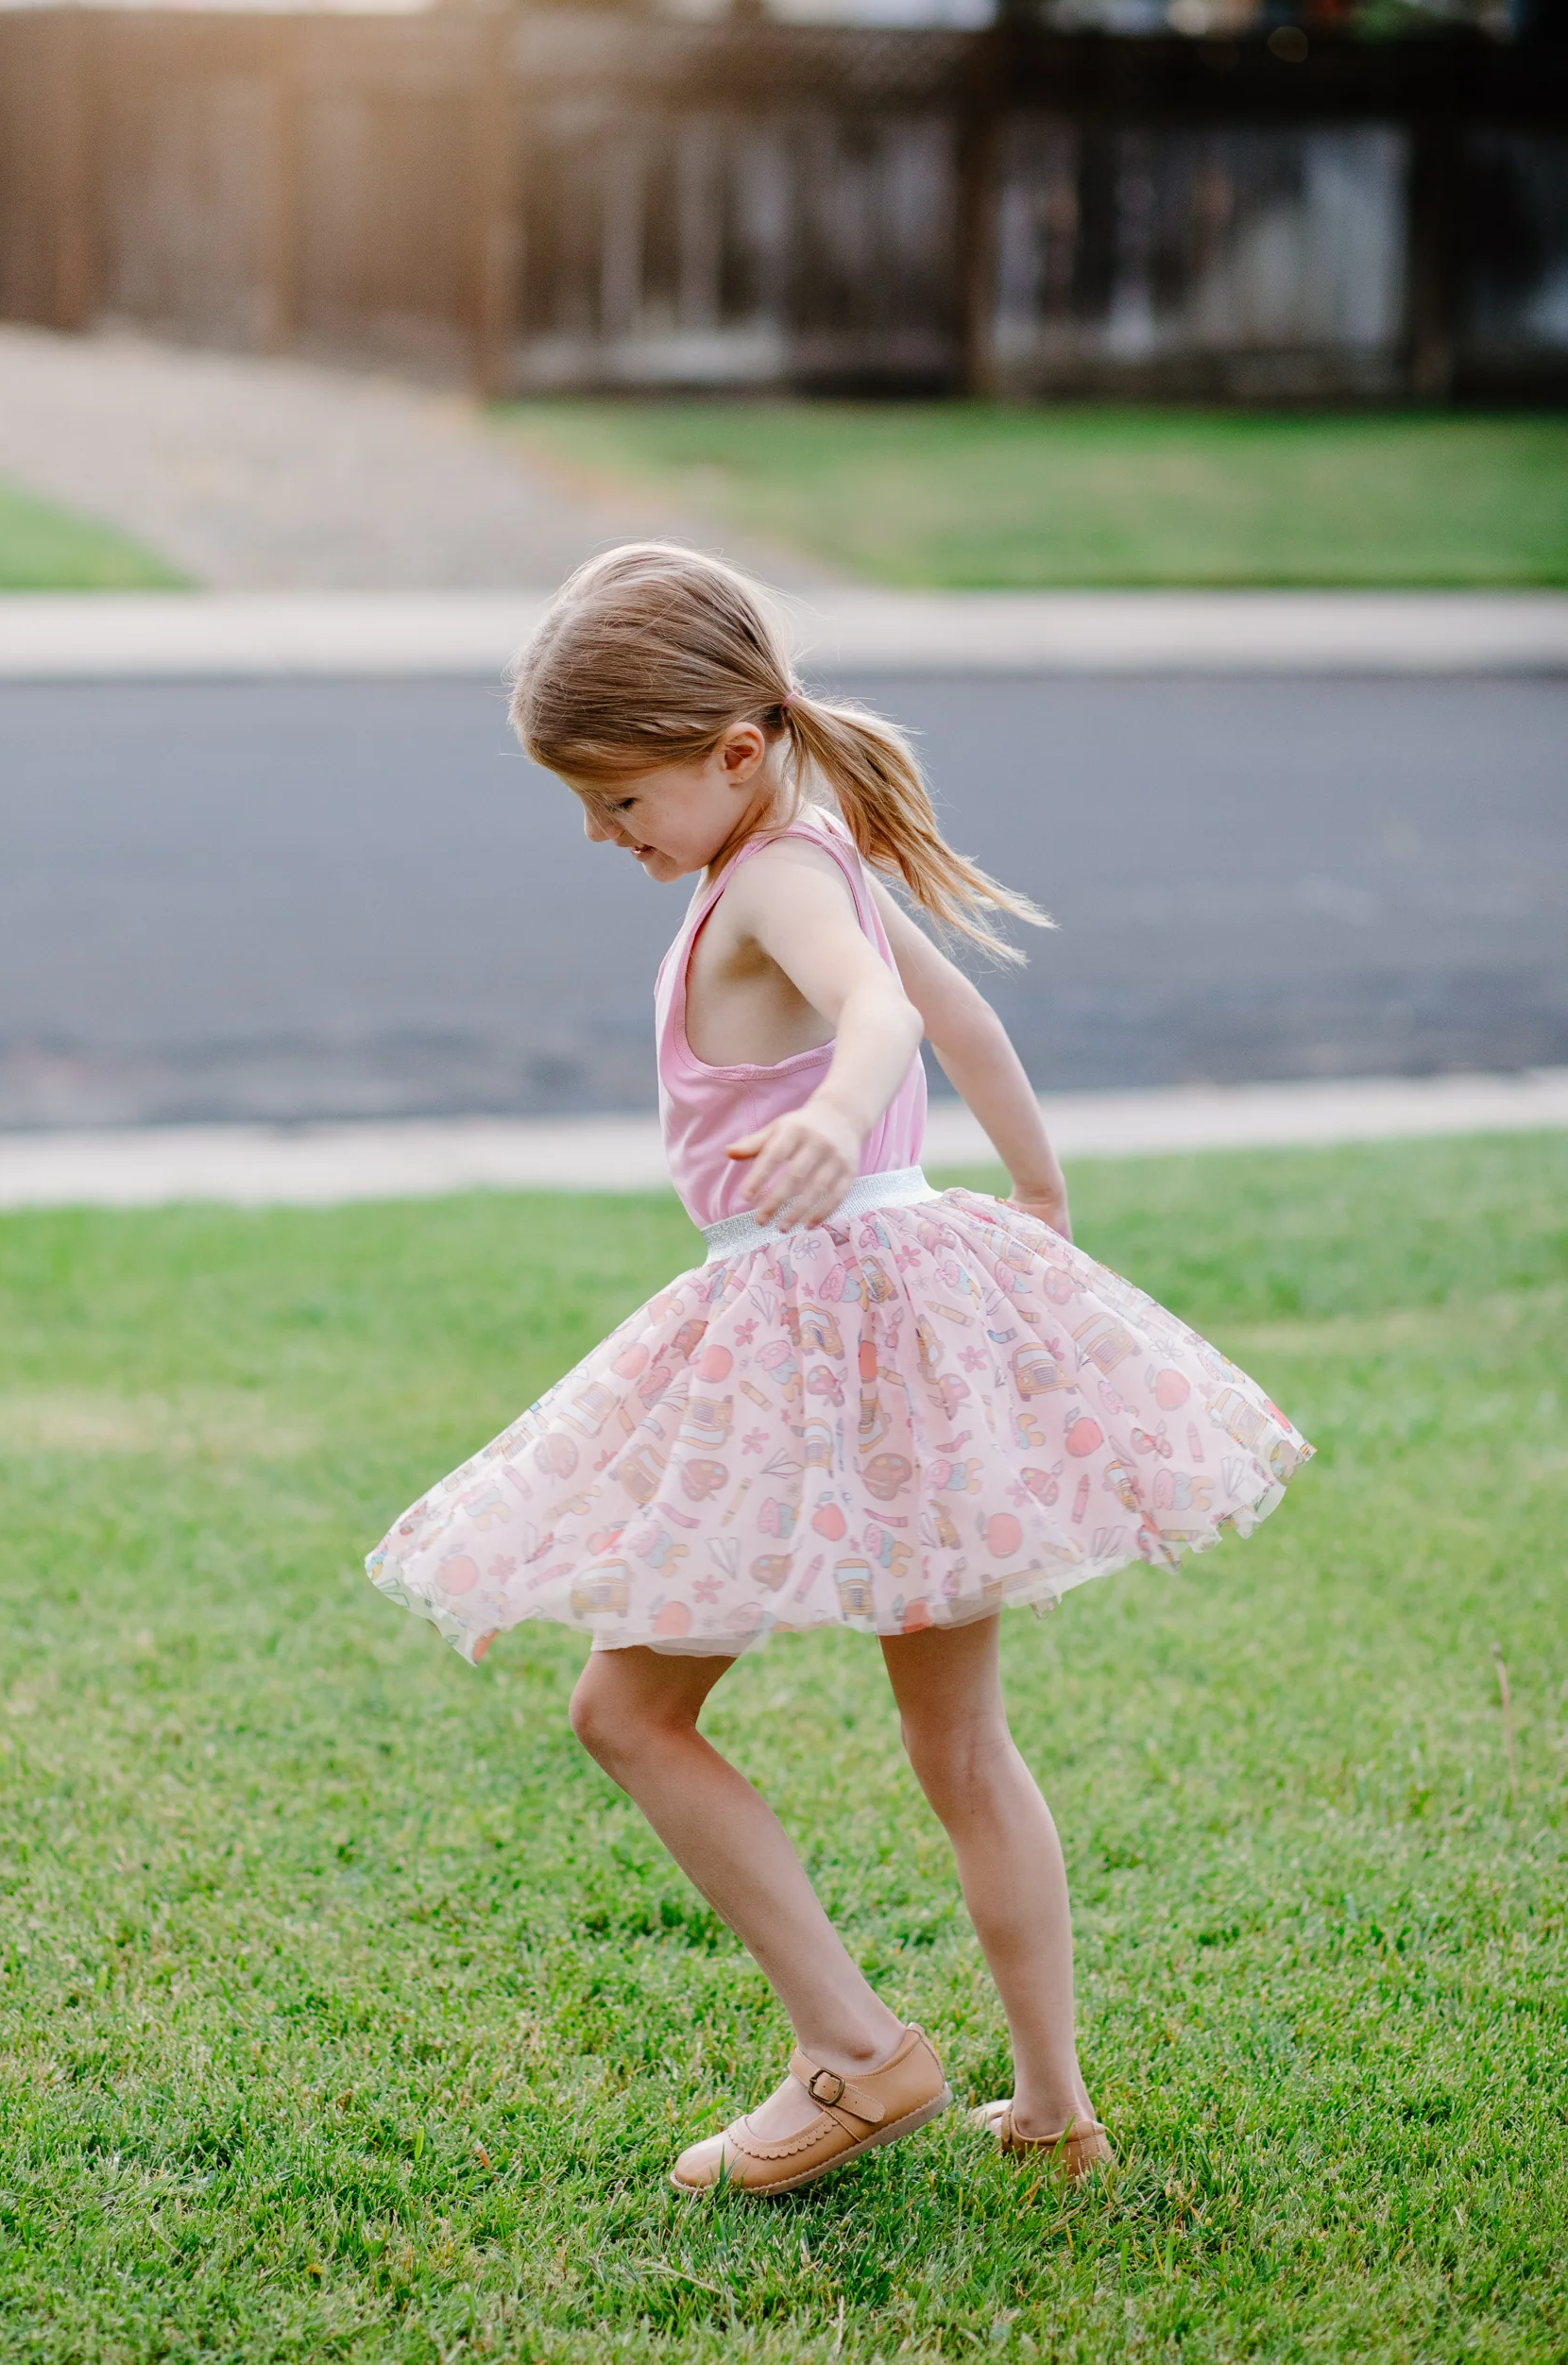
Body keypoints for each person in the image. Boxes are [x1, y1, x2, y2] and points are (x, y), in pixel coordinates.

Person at [366, 544, 1311, 2197]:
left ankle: (861, 2054)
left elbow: (882, 1010)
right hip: (910, 1325)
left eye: (616, 798)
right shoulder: (819, 841)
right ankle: (1053, 2110)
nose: (607, 836)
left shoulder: (783, 879)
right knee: (959, 1749)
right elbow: (962, 1017)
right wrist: (1035, 1191)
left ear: (730, 752)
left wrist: (827, 1110)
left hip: (808, 1332)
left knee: (627, 1708)